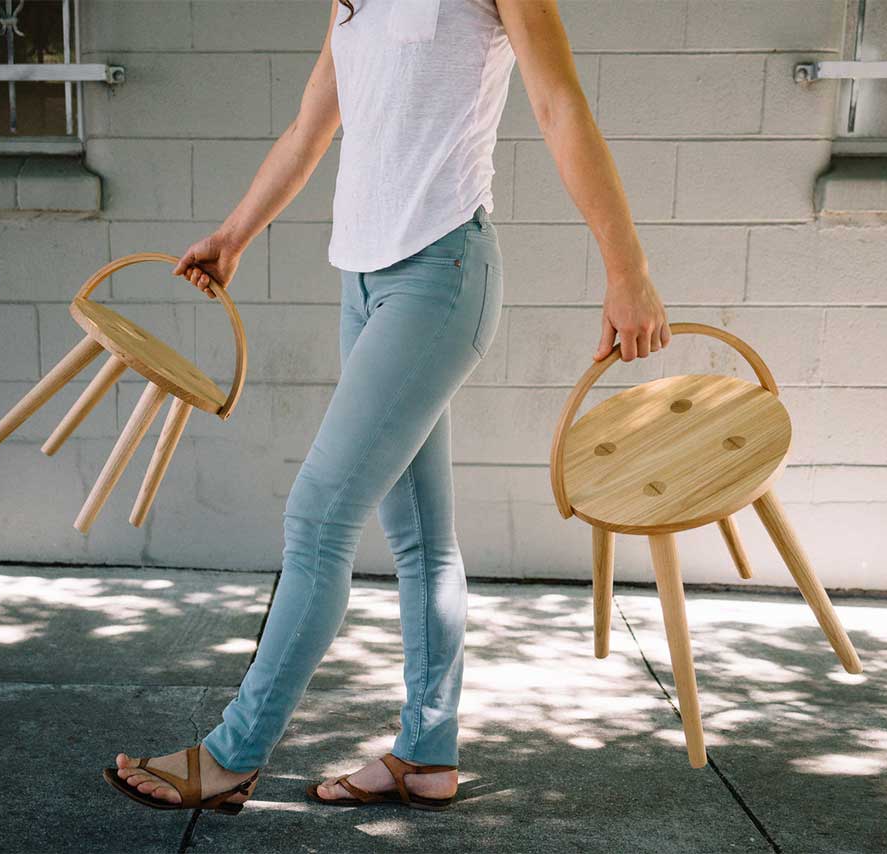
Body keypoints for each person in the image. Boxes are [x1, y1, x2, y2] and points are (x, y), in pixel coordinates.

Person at [105, 0, 670, 814]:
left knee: (319, 516)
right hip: (363, 285)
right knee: (421, 537)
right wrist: (233, 235)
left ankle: (232, 754)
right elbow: (310, 129)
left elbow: (558, 102)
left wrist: (628, 271)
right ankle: (426, 754)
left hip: (441, 275)